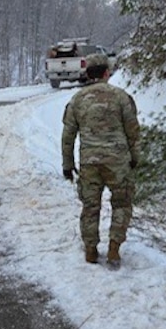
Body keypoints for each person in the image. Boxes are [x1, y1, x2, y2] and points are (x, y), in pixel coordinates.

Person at [61, 54, 142, 267]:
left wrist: (67, 164)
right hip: (118, 161)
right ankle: (114, 247)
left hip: (90, 162)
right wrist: (135, 157)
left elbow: (68, 135)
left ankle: (90, 249)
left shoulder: (77, 100)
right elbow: (133, 131)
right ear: (107, 73)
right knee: (122, 203)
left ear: (87, 74)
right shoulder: (121, 97)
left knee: (90, 206)